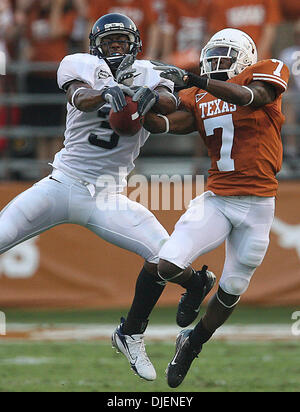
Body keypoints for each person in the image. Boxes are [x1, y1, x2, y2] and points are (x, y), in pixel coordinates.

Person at [0, 12, 215, 382]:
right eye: (109, 41)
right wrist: (105, 92)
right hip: (62, 184)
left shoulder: (150, 71)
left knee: (165, 257)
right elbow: (80, 97)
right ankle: (194, 287)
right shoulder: (79, 64)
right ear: (95, 46)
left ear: (136, 46)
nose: (116, 47)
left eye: (122, 41)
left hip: (108, 195)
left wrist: (154, 97)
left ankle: (132, 331)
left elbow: (169, 101)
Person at [143, 28, 289, 387]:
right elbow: (168, 122)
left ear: (245, 56)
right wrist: (145, 101)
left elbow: (249, 97)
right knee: (168, 263)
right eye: (214, 52)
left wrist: (195, 78)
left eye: (226, 53)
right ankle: (197, 283)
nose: (218, 59)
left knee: (234, 288)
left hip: (258, 204)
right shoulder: (198, 94)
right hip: (218, 199)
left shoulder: (266, 71)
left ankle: (193, 342)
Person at [207, 0, 282, 61]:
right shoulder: (220, 2)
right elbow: (219, 37)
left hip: (261, 59)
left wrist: (256, 60)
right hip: (232, 61)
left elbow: (269, 32)